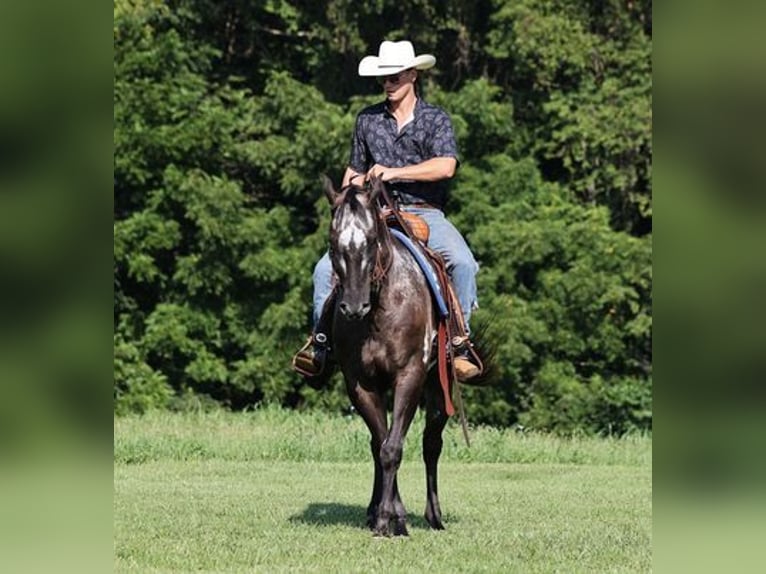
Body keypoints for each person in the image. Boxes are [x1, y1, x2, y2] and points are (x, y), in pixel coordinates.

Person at [293, 40, 481, 383]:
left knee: (463, 262)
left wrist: (394, 173)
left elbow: (446, 166)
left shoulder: (435, 119)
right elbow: (352, 173)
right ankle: (320, 345)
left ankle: (460, 345)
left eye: (394, 76)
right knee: (323, 270)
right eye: (384, 78)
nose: (388, 83)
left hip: (424, 213)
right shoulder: (367, 120)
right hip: (375, 214)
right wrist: (355, 186)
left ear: (412, 75)